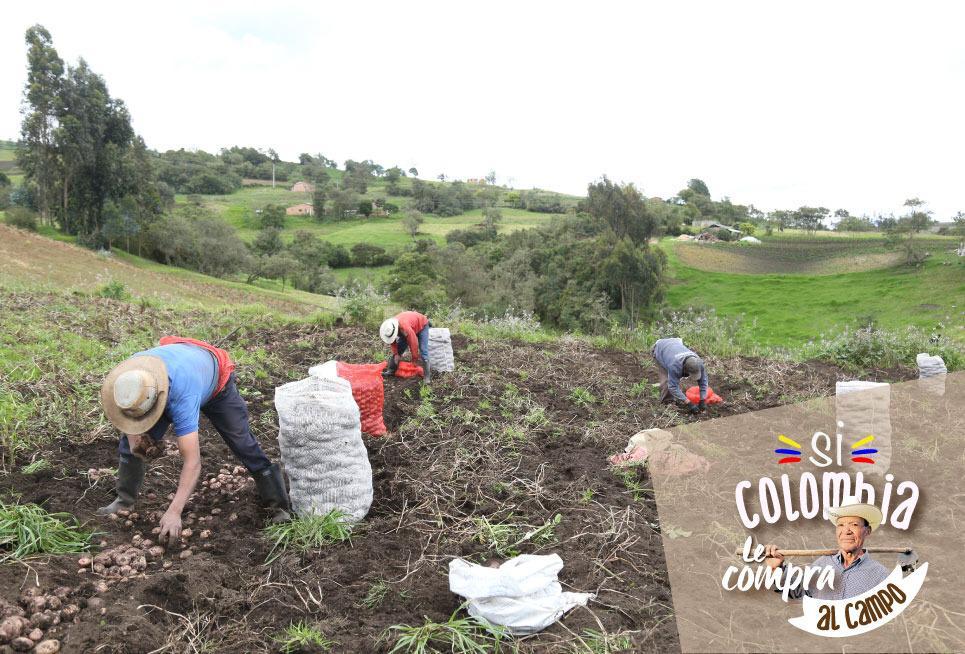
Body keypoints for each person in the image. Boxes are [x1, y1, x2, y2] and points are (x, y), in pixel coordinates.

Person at [98, 336, 291, 545]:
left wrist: (174, 512)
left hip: (217, 382)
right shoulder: (128, 379)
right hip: (177, 372)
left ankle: (278, 506)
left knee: (242, 443)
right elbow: (129, 418)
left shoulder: (182, 397)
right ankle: (124, 501)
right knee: (128, 446)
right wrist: (136, 442)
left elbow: (193, 462)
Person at [765, 502, 890, 600]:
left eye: (854, 525)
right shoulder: (821, 565)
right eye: (841, 525)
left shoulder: (880, 575)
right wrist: (776, 569)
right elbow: (796, 591)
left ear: (867, 531)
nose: (846, 531)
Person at [651, 337, 708, 414]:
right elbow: (672, 386)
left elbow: (703, 382)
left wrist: (703, 400)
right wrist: (688, 403)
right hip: (660, 348)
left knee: (675, 377)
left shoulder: (699, 362)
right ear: (684, 368)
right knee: (667, 381)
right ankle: (667, 403)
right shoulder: (674, 365)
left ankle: (678, 396)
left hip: (675, 344)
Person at [380, 311, 431, 383]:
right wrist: (396, 354)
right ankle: (391, 371)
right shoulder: (391, 326)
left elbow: (413, 343)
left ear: (396, 330)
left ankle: (427, 377)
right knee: (399, 349)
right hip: (409, 325)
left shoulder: (405, 328)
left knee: (423, 350)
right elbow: (392, 342)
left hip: (422, 324)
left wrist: (414, 359)